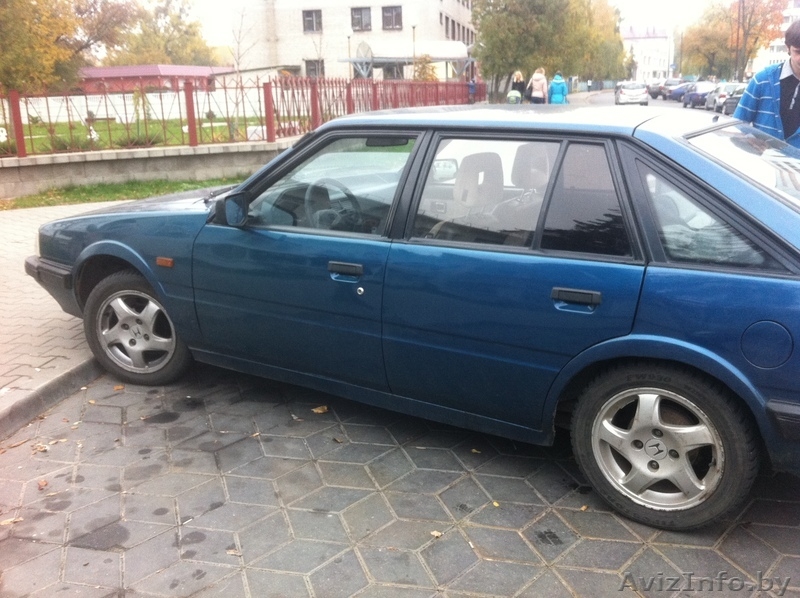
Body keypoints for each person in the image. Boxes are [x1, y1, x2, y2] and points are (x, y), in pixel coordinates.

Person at [734, 19, 800, 148]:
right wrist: (751, 141)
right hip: (762, 165)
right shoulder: (763, 79)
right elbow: (737, 125)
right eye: (798, 51)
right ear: (788, 48)